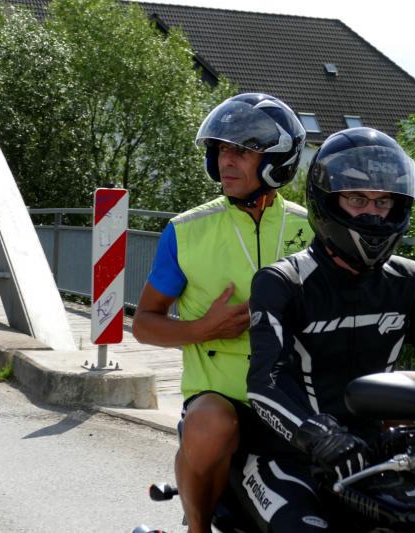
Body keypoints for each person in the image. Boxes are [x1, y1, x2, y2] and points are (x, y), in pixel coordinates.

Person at [241, 127, 415, 531]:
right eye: (357, 200)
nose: (373, 213)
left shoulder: (407, 280)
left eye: (383, 201)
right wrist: (319, 436)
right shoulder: (283, 282)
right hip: (288, 457)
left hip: (375, 453)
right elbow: (265, 382)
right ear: (326, 200)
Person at [132, 93, 314, 533]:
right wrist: (202, 328)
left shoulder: (312, 228)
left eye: (242, 151)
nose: (225, 161)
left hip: (295, 396)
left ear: (278, 160)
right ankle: (197, 528)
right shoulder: (185, 231)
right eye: (220, 150)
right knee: (211, 424)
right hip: (219, 394)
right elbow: (144, 325)